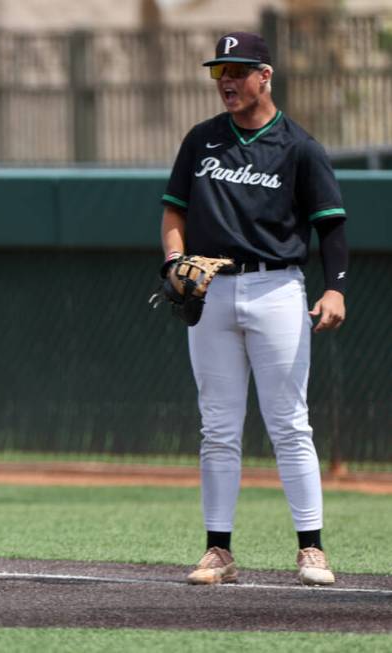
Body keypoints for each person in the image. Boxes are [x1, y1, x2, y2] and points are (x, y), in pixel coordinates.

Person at [159, 33, 348, 586]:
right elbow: (174, 212)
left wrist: (334, 288)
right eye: (220, 71)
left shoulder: (299, 147)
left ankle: (310, 548)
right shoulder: (201, 141)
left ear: (265, 75)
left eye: (238, 70)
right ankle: (218, 550)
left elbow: (330, 226)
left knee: (289, 423)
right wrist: (175, 261)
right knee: (217, 426)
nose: (227, 81)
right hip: (212, 289)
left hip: (277, 289)